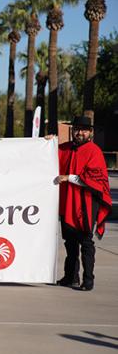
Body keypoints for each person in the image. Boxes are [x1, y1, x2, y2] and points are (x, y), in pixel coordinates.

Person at [55, 116, 112, 291]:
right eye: (77, 129)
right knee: (69, 242)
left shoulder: (94, 151)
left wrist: (69, 178)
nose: (79, 133)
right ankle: (70, 276)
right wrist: (48, 141)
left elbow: (96, 180)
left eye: (84, 130)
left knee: (86, 242)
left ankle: (88, 280)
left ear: (91, 132)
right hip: (66, 203)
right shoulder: (63, 149)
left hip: (86, 204)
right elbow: (45, 155)